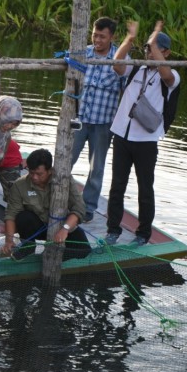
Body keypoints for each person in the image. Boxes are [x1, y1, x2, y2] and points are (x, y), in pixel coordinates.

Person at [106, 21, 180, 246]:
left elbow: (165, 73)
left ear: (165, 52)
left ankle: (142, 234)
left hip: (146, 140)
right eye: (147, 48)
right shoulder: (136, 68)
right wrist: (130, 39)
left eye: (155, 48)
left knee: (144, 188)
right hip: (122, 135)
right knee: (117, 185)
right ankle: (112, 230)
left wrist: (154, 37)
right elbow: (117, 64)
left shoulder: (172, 75)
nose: (149, 51)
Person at [71, 17, 123, 222]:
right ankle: (62, 198)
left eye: (102, 36)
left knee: (97, 167)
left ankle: (88, 207)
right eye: (95, 35)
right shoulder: (83, 53)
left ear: (112, 36)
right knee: (66, 161)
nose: (97, 39)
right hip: (80, 118)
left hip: (103, 123)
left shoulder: (119, 59)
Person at [2, 149, 91, 261]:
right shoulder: (19, 185)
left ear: (49, 170)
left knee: (85, 252)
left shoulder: (65, 180)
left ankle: (51, 253)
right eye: (31, 172)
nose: (34, 177)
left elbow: (79, 208)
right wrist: (9, 240)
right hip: (37, 228)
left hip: (61, 227)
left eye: (39, 174)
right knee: (23, 217)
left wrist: (65, 229)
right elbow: (11, 214)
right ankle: (29, 246)